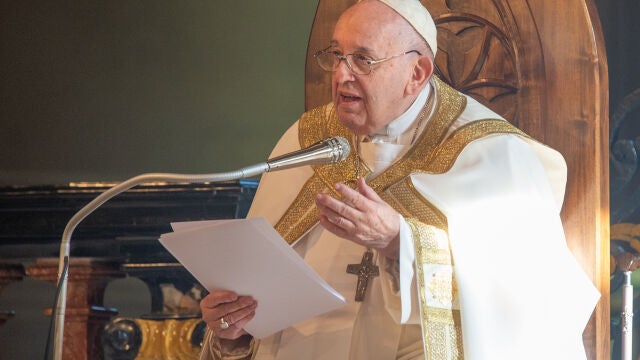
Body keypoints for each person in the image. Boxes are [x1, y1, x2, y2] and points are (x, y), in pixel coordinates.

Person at [199, 0, 600, 359]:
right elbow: (256, 311)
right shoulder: (310, 139)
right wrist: (234, 333)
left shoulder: (492, 156)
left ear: (417, 72)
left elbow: (526, 307)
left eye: (363, 60)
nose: (341, 75)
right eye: (336, 55)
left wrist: (399, 242)